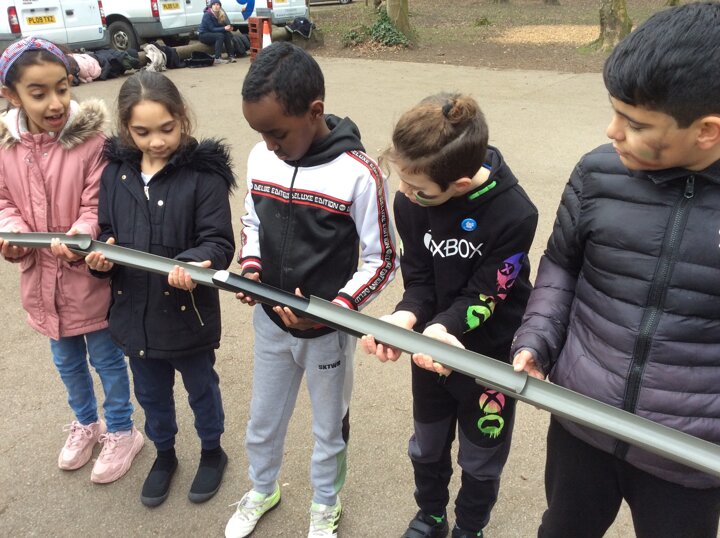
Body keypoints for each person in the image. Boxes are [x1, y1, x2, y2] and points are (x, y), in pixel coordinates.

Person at [510, 3, 720, 537]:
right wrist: (537, 338)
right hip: (582, 421)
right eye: (614, 112)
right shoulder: (597, 173)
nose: (612, 131)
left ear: (706, 130)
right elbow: (562, 265)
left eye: (635, 123)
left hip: (687, 454)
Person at [225, 42, 397, 538]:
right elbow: (251, 221)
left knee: (328, 427)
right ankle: (263, 488)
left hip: (327, 335)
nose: (268, 145)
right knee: (262, 420)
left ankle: (325, 503)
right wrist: (251, 269)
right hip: (270, 323)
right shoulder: (262, 158)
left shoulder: (360, 174)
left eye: (277, 133)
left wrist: (335, 309)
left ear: (314, 111)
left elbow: (382, 259)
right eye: (259, 134)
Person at [362, 93, 538, 538]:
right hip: (430, 352)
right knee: (427, 444)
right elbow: (420, 280)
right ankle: (432, 516)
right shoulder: (410, 205)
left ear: (459, 185)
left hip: (489, 361)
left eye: (418, 189)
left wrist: (443, 325)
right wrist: (405, 318)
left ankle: (470, 527)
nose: (405, 195)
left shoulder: (516, 213)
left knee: (481, 456)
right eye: (403, 182)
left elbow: (488, 294)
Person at [85, 70, 236, 507]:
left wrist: (194, 261)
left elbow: (218, 242)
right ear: (126, 128)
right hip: (134, 314)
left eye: (167, 129)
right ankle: (164, 454)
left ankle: (212, 451)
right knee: (151, 393)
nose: (156, 142)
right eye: (142, 132)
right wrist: (101, 259)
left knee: (201, 388)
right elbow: (107, 231)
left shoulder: (203, 175)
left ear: (182, 117)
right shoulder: (116, 174)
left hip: (188, 314)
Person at [0, 37, 142, 484]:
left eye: (62, 88)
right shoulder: (6, 147)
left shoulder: (91, 142)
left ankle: (122, 430)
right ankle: (86, 423)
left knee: (107, 360)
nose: (55, 102)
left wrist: (81, 235)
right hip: (41, 283)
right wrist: (15, 237)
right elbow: (4, 201)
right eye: (39, 93)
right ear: (12, 96)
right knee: (66, 362)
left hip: (88, 279)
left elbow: (98, 203)